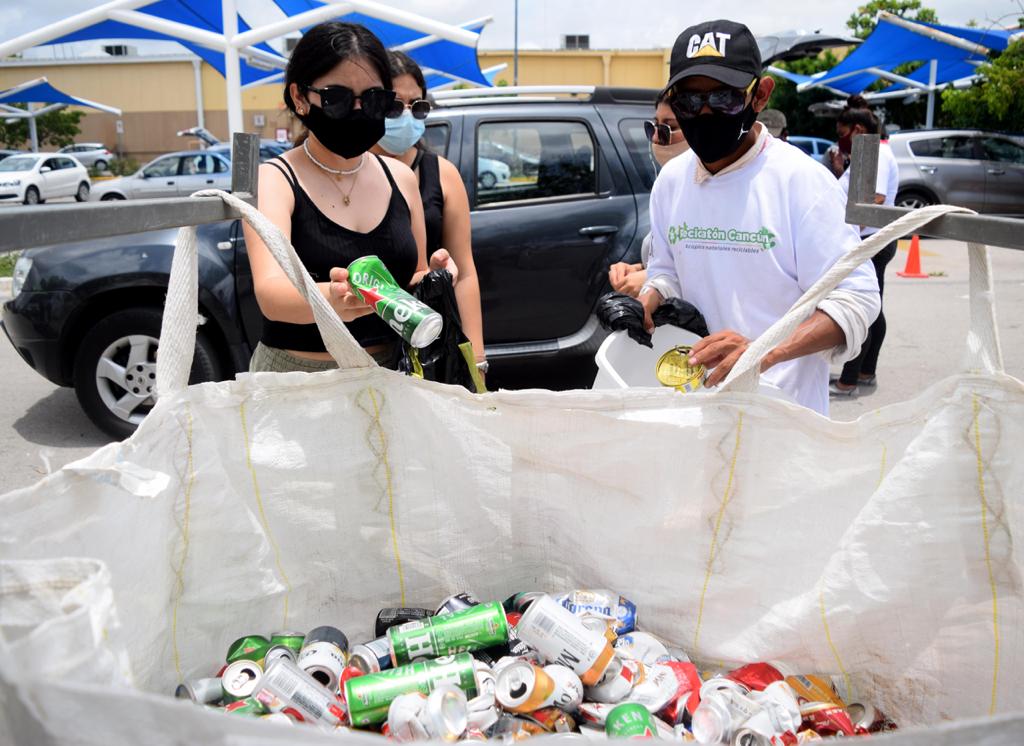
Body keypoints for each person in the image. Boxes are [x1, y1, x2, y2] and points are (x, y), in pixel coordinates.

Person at [639, 19, 880, 415]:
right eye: (688, 102)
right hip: (694, 409)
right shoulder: (671, 181)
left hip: (782, 418)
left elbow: (856, 299)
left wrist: (762, 353)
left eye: (722, 99)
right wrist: (646, 301)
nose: (704, 112)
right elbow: (666, 270)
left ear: (760, 96)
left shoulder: (802, 183)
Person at [242, 22, 455, 373]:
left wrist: (436, 278)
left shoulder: (400, 179)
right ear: (299, 97)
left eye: (373, 99)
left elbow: (411, 279)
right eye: (337, 98)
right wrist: (334, 299)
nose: (357, 111)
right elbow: (271, 293)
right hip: (299, 379)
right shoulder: (275, 180)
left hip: (392, 374)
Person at [370, 51, 486, 376]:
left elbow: (464, 272)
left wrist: (476, 356)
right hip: (367, 347)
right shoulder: (349, 174)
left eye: (417, 107)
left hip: (430, 345)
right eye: (394, 107)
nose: (406, 117)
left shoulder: (443, 174)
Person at [829, 106, 900, 396]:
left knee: (862, 307)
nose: (841, 140)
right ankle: (865, 372)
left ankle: (849, 380)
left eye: (843, 134)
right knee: (875, 309)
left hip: (870, 241)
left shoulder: (877, 153)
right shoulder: (872, 152)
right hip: (872, 239)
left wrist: (847, 235)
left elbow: (876, 197)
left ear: (858, 130)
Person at [608, 89, 689, 298]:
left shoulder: (711, 188)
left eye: (669, 127)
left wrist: (650, 280)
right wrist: (638, 269)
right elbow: (669, 259)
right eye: (653, 126)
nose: (656, 136)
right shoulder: (668, 185)